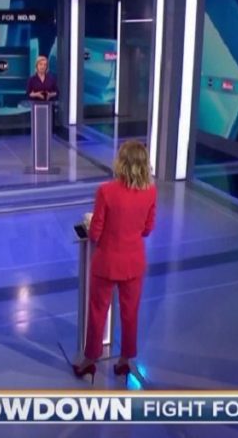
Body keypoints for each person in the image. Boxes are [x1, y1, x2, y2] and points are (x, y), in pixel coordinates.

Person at [73, 140, 157, 380]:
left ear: (121, 162)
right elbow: (147, 229)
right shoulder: (151, 191)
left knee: (98, 311)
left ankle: (90, 360)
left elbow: (95, 233)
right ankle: (124, 360)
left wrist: (92, 224)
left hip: (107, 263)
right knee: (130, 314)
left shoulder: (106, 191)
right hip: (134, 264)